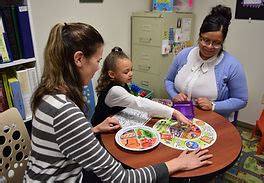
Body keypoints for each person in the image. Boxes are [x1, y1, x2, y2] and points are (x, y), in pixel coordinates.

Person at [24, 22, 213, 182]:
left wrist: (94, 129)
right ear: (79, 59)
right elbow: (121, 178)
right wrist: (177, 163)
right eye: (97, 60)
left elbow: (61, 141)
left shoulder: (46, 94)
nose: (98, 67)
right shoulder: (65, 110)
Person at [165, 5, 248, 122]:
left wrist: (214, 106)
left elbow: (241, 100)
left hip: (212, 121)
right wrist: (174, 95)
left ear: (222, 42)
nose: (209, 47)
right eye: (205, 40)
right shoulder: (184, 54)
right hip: (181, 115)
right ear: (199, 36)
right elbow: (168, 80)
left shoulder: (232, 66)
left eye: (216, 43)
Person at [92, 46, 192, 127]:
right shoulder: (114, 90)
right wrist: (175, 112)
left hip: (116, 119)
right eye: (126, 72)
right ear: (112, 74)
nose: (130, 74)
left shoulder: (121, 82)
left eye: (131, 69)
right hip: (101, 130)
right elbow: (139, 102)